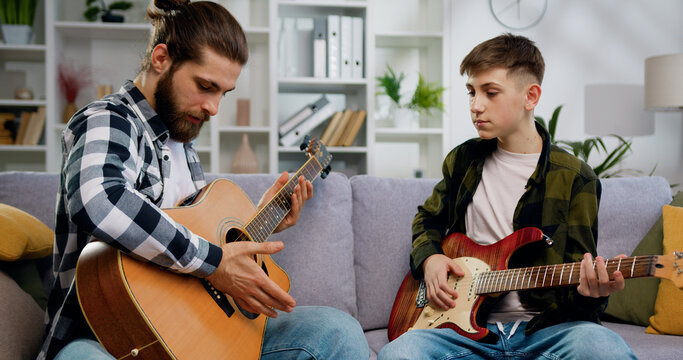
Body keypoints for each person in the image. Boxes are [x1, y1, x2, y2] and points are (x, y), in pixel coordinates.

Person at [38, 1, 369, 359]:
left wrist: (260, 220)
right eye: (205, 86)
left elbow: (192, 239)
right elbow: (97, 200)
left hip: (188, 331)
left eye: (223, 93)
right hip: (107, 336)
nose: (214, 108)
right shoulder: (109, 120)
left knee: (338, 331)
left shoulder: (183, 143)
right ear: (161, 59)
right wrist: (214, 262)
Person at [378, 33, 636, 359]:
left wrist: (593, 292)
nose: (475, 105)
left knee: (605, 349)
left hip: (545, 331)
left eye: (490, 92)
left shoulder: (575, 177)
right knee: (398, 355)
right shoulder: (462, 160)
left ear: (531, 96)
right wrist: (430, 258)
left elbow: (579, 278)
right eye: (471, 92)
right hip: (463, 333)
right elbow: (427, 219)